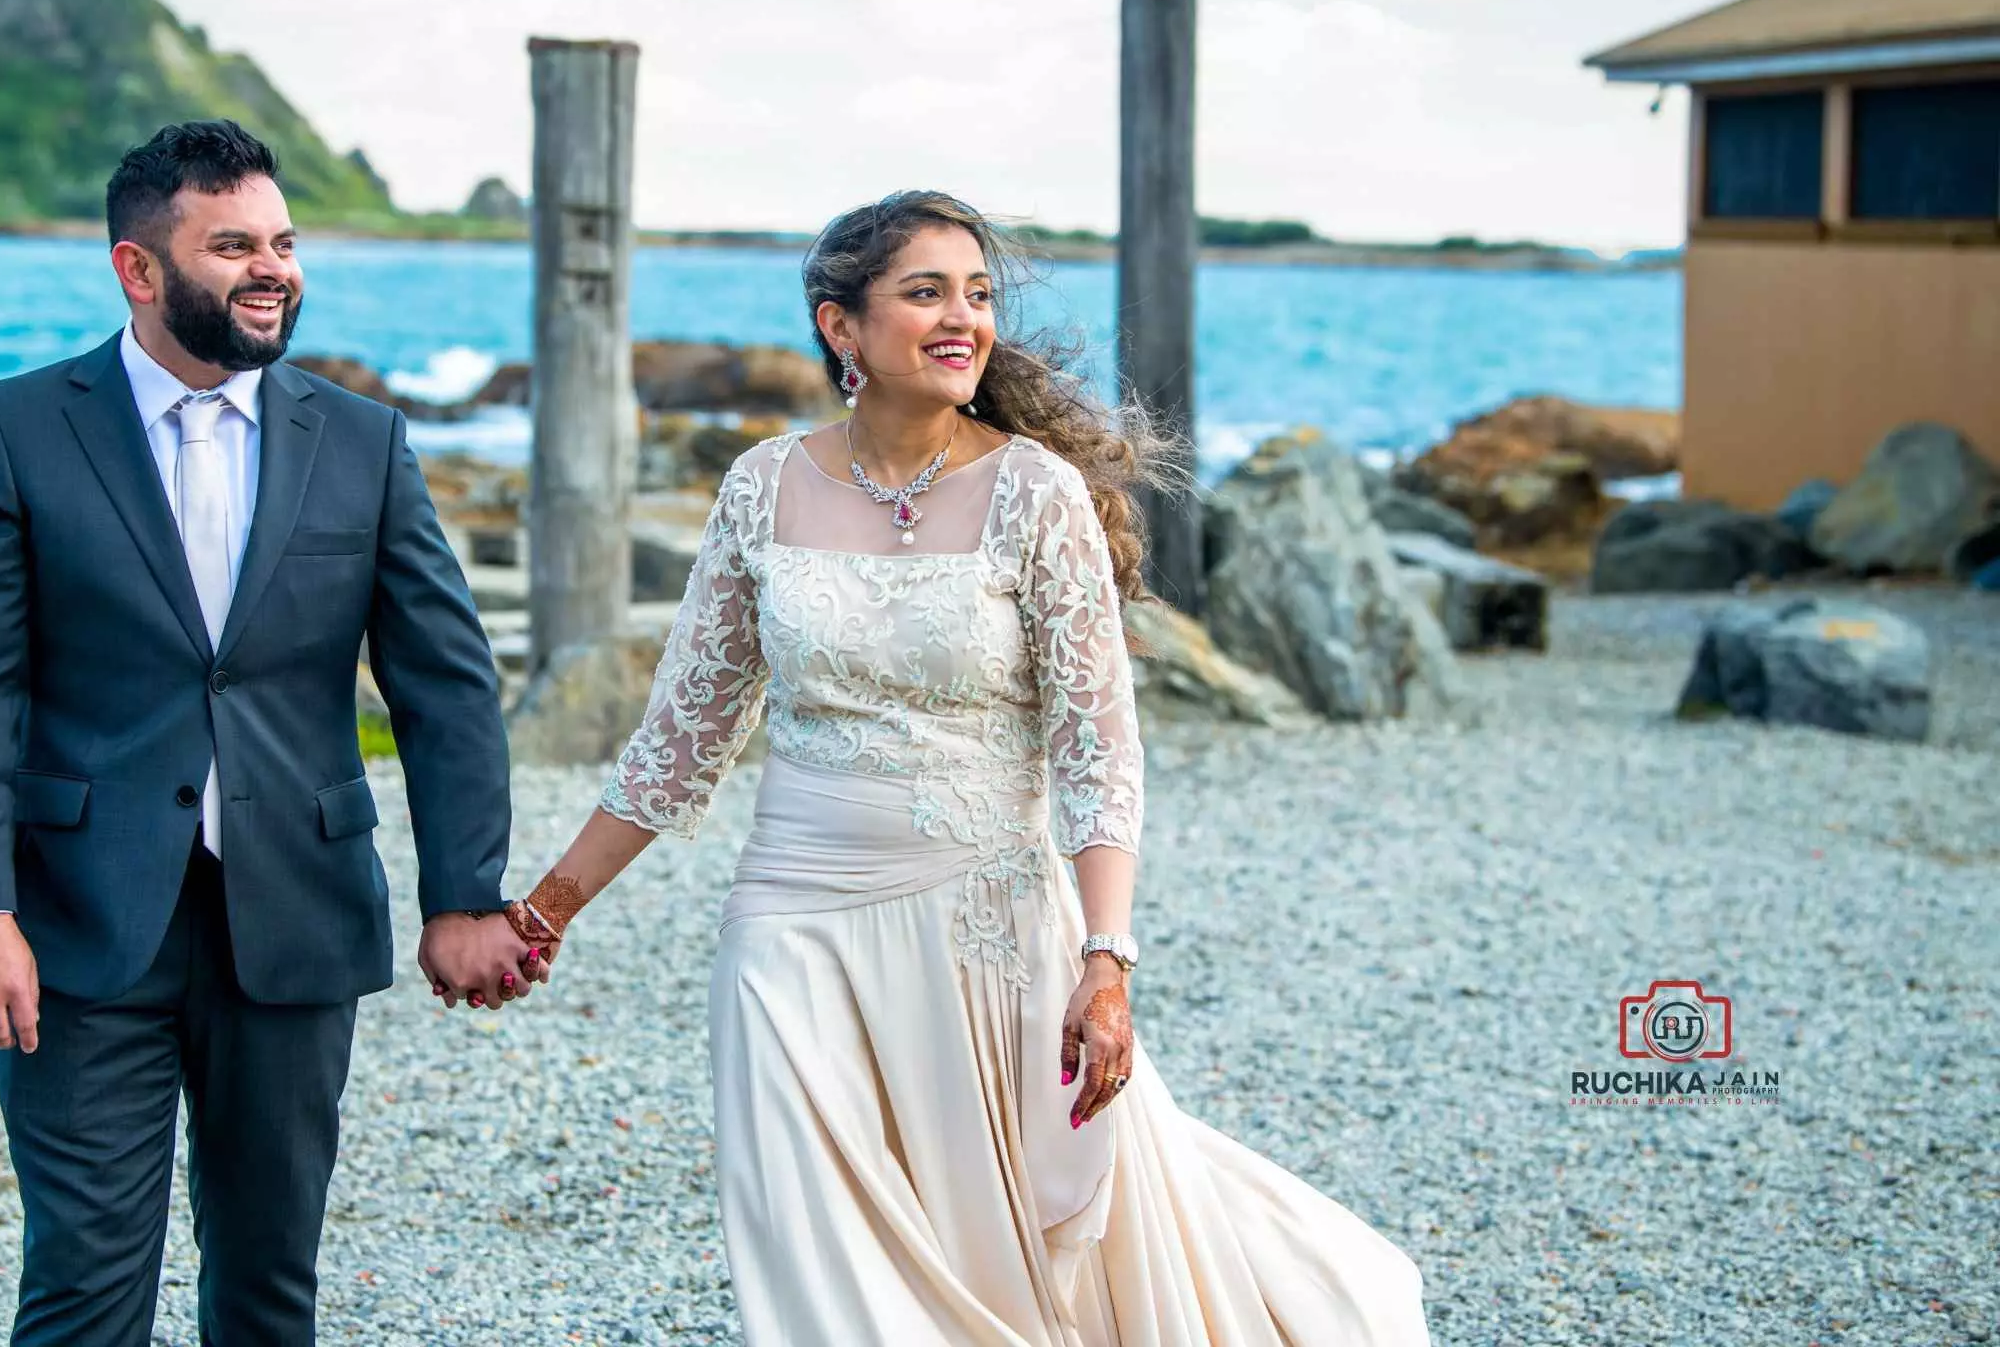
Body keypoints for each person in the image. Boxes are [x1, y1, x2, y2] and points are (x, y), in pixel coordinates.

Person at [503, 191, 1431, 1344]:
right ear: (841, 328)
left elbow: (1099, 745)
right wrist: (542, 911)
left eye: (979, 293)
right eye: (927, 291)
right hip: (789, 926)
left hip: (987, 928)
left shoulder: (1034, 492)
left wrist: (1107, 960)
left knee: (989, 1259)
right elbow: (682, 737)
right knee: (821, 1259)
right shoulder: (762, 487)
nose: (964, 319)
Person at [0, 119, 532, 1346]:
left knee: (266, 1286)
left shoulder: (363, 442)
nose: (273, 269)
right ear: (140, 270)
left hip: (295, 915)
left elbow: (445, 683)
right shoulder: (13, 430)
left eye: (284, 242)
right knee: (84, 1286)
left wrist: (466, 892)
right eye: (233, 244)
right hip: (78, 926)